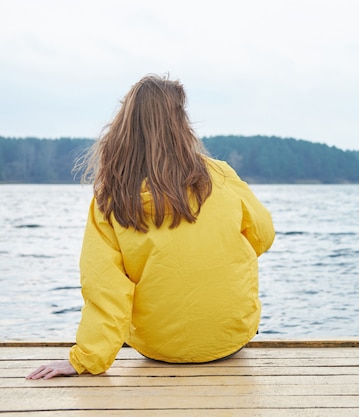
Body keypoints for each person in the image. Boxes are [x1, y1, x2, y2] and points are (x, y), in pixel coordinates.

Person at [27, 74, 275, 380]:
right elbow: (264, 236)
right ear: (181, 123)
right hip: (230, 339)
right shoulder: (220, 176)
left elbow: (105, 289)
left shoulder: (111, 197)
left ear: (125, 126)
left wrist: (86, 359)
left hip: (158, 348)